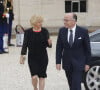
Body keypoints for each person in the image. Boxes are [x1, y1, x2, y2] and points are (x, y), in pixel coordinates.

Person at [56, 13, 91, 90]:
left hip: (79, 63)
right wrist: (58, 62)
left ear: (74, 21)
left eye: (66, 20)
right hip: (67, 62)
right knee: (71, 83)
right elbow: (59, 47)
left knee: (76, 84)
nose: (64, 22)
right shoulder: (62, 31)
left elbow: (87, 49)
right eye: (64, 20)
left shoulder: (83, 31)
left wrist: (87, 63)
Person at [20, 15, 52, 90]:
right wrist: (22, 56)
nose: (41, 23)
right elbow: (25, 45)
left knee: (42, 76)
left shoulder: (45, 31)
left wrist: (50, 43)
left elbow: (48, 45)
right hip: (32, 58)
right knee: (34, 77)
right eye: (39, 22)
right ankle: (35, 88)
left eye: (41, 22)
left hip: (43, 57)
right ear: (34, 23)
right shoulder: (28, 32)